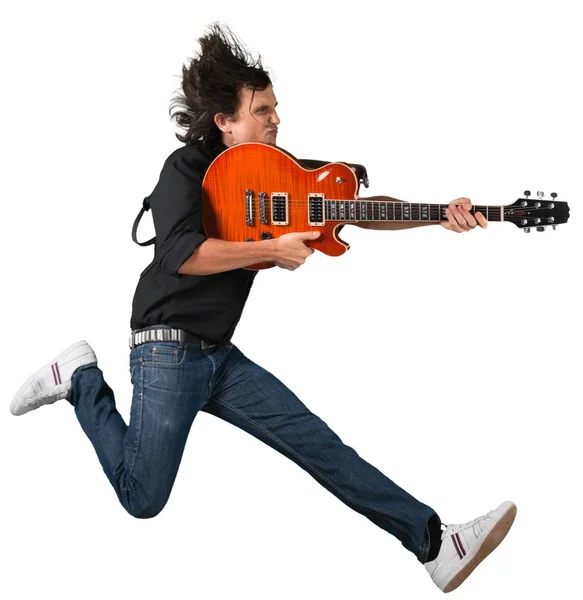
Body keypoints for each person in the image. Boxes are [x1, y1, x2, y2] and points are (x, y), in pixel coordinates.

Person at [10, 22, 515, 594]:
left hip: (219, 357)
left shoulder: (281, 173)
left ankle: (434, 543)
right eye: (263, 109)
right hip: (165, 350)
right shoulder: (186, 169)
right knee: (142, 499)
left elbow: (355, 206)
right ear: (225, 120)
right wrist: (270, 248)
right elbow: (181, 254)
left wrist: (437, 213)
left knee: (321, 447)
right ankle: (80, 378)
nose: (276, 119)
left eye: (277, 107)